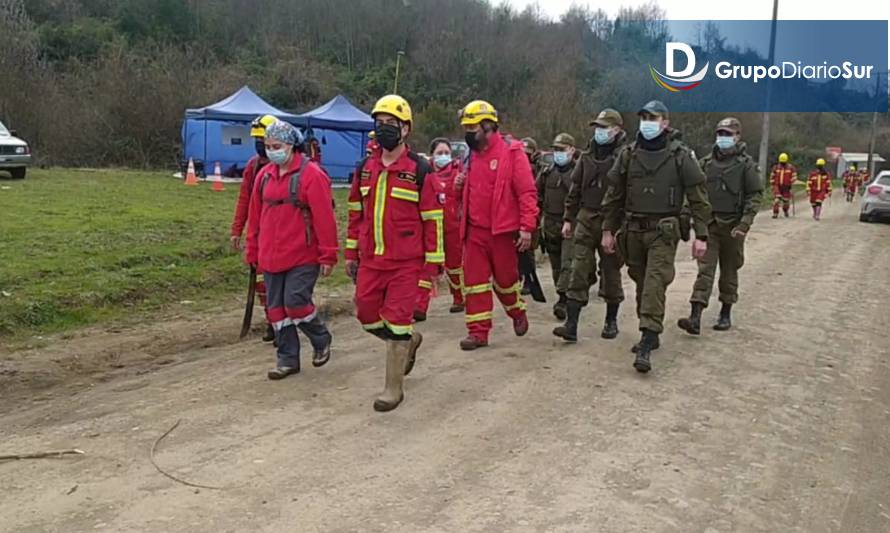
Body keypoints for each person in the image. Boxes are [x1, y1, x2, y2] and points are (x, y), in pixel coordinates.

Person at [345, 94, 442, 412]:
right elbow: (355, 215)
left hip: (406, 264)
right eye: (380, 124)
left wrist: (433, 265)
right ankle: (409, 342)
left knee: (399, 323)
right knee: (366, 315)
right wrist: (350, 254)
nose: (384, 129)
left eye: (391, 124)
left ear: (405, 130)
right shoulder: (364, 168)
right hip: (371, 261)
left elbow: (433, 220)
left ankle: (393, 388)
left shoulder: (419, 170)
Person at [600, 100, 711, 373]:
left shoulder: (680, 156)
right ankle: (650, 327)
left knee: (654, 281)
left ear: (665, 123)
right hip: (633, 229)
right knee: (639, 279)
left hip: (664, 230)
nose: (647, 122)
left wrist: (702, 235)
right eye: (644, 117)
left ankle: (648, 339)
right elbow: (614, 196)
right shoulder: (628, 154)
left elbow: (698, 198)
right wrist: (607, 230)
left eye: (653, 117)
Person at [245, 121, 338, 380]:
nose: (272, 151)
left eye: (277, 146)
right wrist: (252, 250)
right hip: (270, 256)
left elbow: (324, 218)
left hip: (302, 255)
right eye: (268, 146)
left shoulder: (312, 175)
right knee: (276, 310)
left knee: (295, 303)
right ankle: (287, 359)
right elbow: (255, 217)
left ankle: (321, 339)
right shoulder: (264, 176)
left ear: (291, 145)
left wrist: (328, 254)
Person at [455, 100, 538, 351]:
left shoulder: (512, 153)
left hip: (502, 233)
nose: (468, 133)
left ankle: (516, 310)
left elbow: (527, 193)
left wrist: (526, 227)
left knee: (505, 281)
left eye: (473, 127)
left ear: (489, 125)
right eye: (466, 128)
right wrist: (458, 187)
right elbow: (463, 195)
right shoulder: (469, 156)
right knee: (474, 282)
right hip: (474, 231)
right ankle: (478, 332)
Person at [678, 118, 762, 335]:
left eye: (728, 133)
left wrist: (745, 223)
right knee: (705, 270)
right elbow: (695, 192)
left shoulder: (746, 166)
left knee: (729, 270)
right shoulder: (705, 164)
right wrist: (686, 215)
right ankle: (695, 315)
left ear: (737, 136)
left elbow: (754, 195)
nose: (723, 137)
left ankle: (725, 311)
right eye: (720, 133)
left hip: (734, 226)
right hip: (710, 224)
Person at [554, 108, 627, 343]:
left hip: (613, 220)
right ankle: (571, 325)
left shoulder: (625, 156)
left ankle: (611, 320)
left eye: (604, 127)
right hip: (585, 218)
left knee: (610, 271)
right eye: (597, 127)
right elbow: (575, 190)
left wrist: (617, 226)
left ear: (617, 130)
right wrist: (568, 218)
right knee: (578, 269)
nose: (599, 132)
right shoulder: (586, 157)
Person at [231, 114, 277, 343]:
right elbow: (244, 199)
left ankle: (282, 324)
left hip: (281, 234)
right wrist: (237, 230)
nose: (260, 145)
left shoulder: (288, 166)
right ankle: (272, 322)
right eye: (257, 140)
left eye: (264, 139)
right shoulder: (253, 167)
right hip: (258, 234)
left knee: (280, 282)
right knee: (261, 282)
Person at [414, 138, 465, 320]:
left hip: (452, 227)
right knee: (427, 267)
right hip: (430, 228)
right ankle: (419, 307)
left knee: (454, 266)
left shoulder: (459, 173)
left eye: (446, 153)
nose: (444, 156)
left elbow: (464, 199)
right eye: (440, 153)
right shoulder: (425, 174)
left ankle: (459, 299)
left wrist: (462, 185)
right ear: (432, 155)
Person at [537, 133, 578, 319]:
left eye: (562, 149)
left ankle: (563, 299)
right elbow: (536, 196)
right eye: (555, 149)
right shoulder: (547, 173)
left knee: (567, 264)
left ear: (572, 150)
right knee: (556, 264)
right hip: (551, 223)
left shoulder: (578, 173)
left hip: (571, 223)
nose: (557, 153)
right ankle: (563, 295)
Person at [769, 153, 797, 218]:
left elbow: (794, 176)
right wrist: (772, 185)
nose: (782, 163)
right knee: (777, 200)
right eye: (781, 162)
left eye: (783, 162)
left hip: (786, 187)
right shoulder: (776, 167)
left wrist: (792, 182)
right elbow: (772, 177)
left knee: (786, 201)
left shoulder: (791, 168)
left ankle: (785, 211)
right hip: (777, 186)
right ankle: (775, 213)